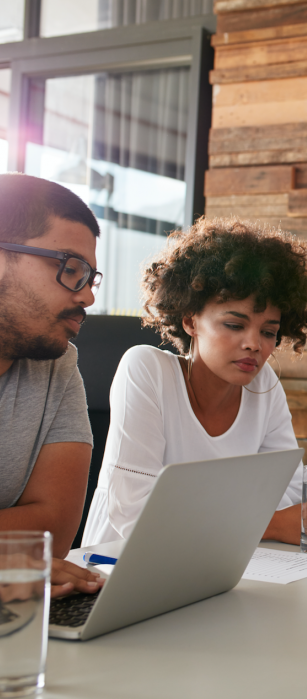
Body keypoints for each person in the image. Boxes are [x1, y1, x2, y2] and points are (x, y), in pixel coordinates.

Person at [81, 217, 307, 546]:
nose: (255, 344)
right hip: (115, 569)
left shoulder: (264, 386)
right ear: (190, 320)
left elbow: (292, 496)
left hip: (220, 562)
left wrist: (214, 516)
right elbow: (138, 516)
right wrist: (271, 525)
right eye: (235, 325)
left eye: (268, 332)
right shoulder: (146, 369)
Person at [0, 173, 104, 597]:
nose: (87, 297)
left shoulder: (56, 364)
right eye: (69, 268)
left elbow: (53, 535)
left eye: (90, 277)